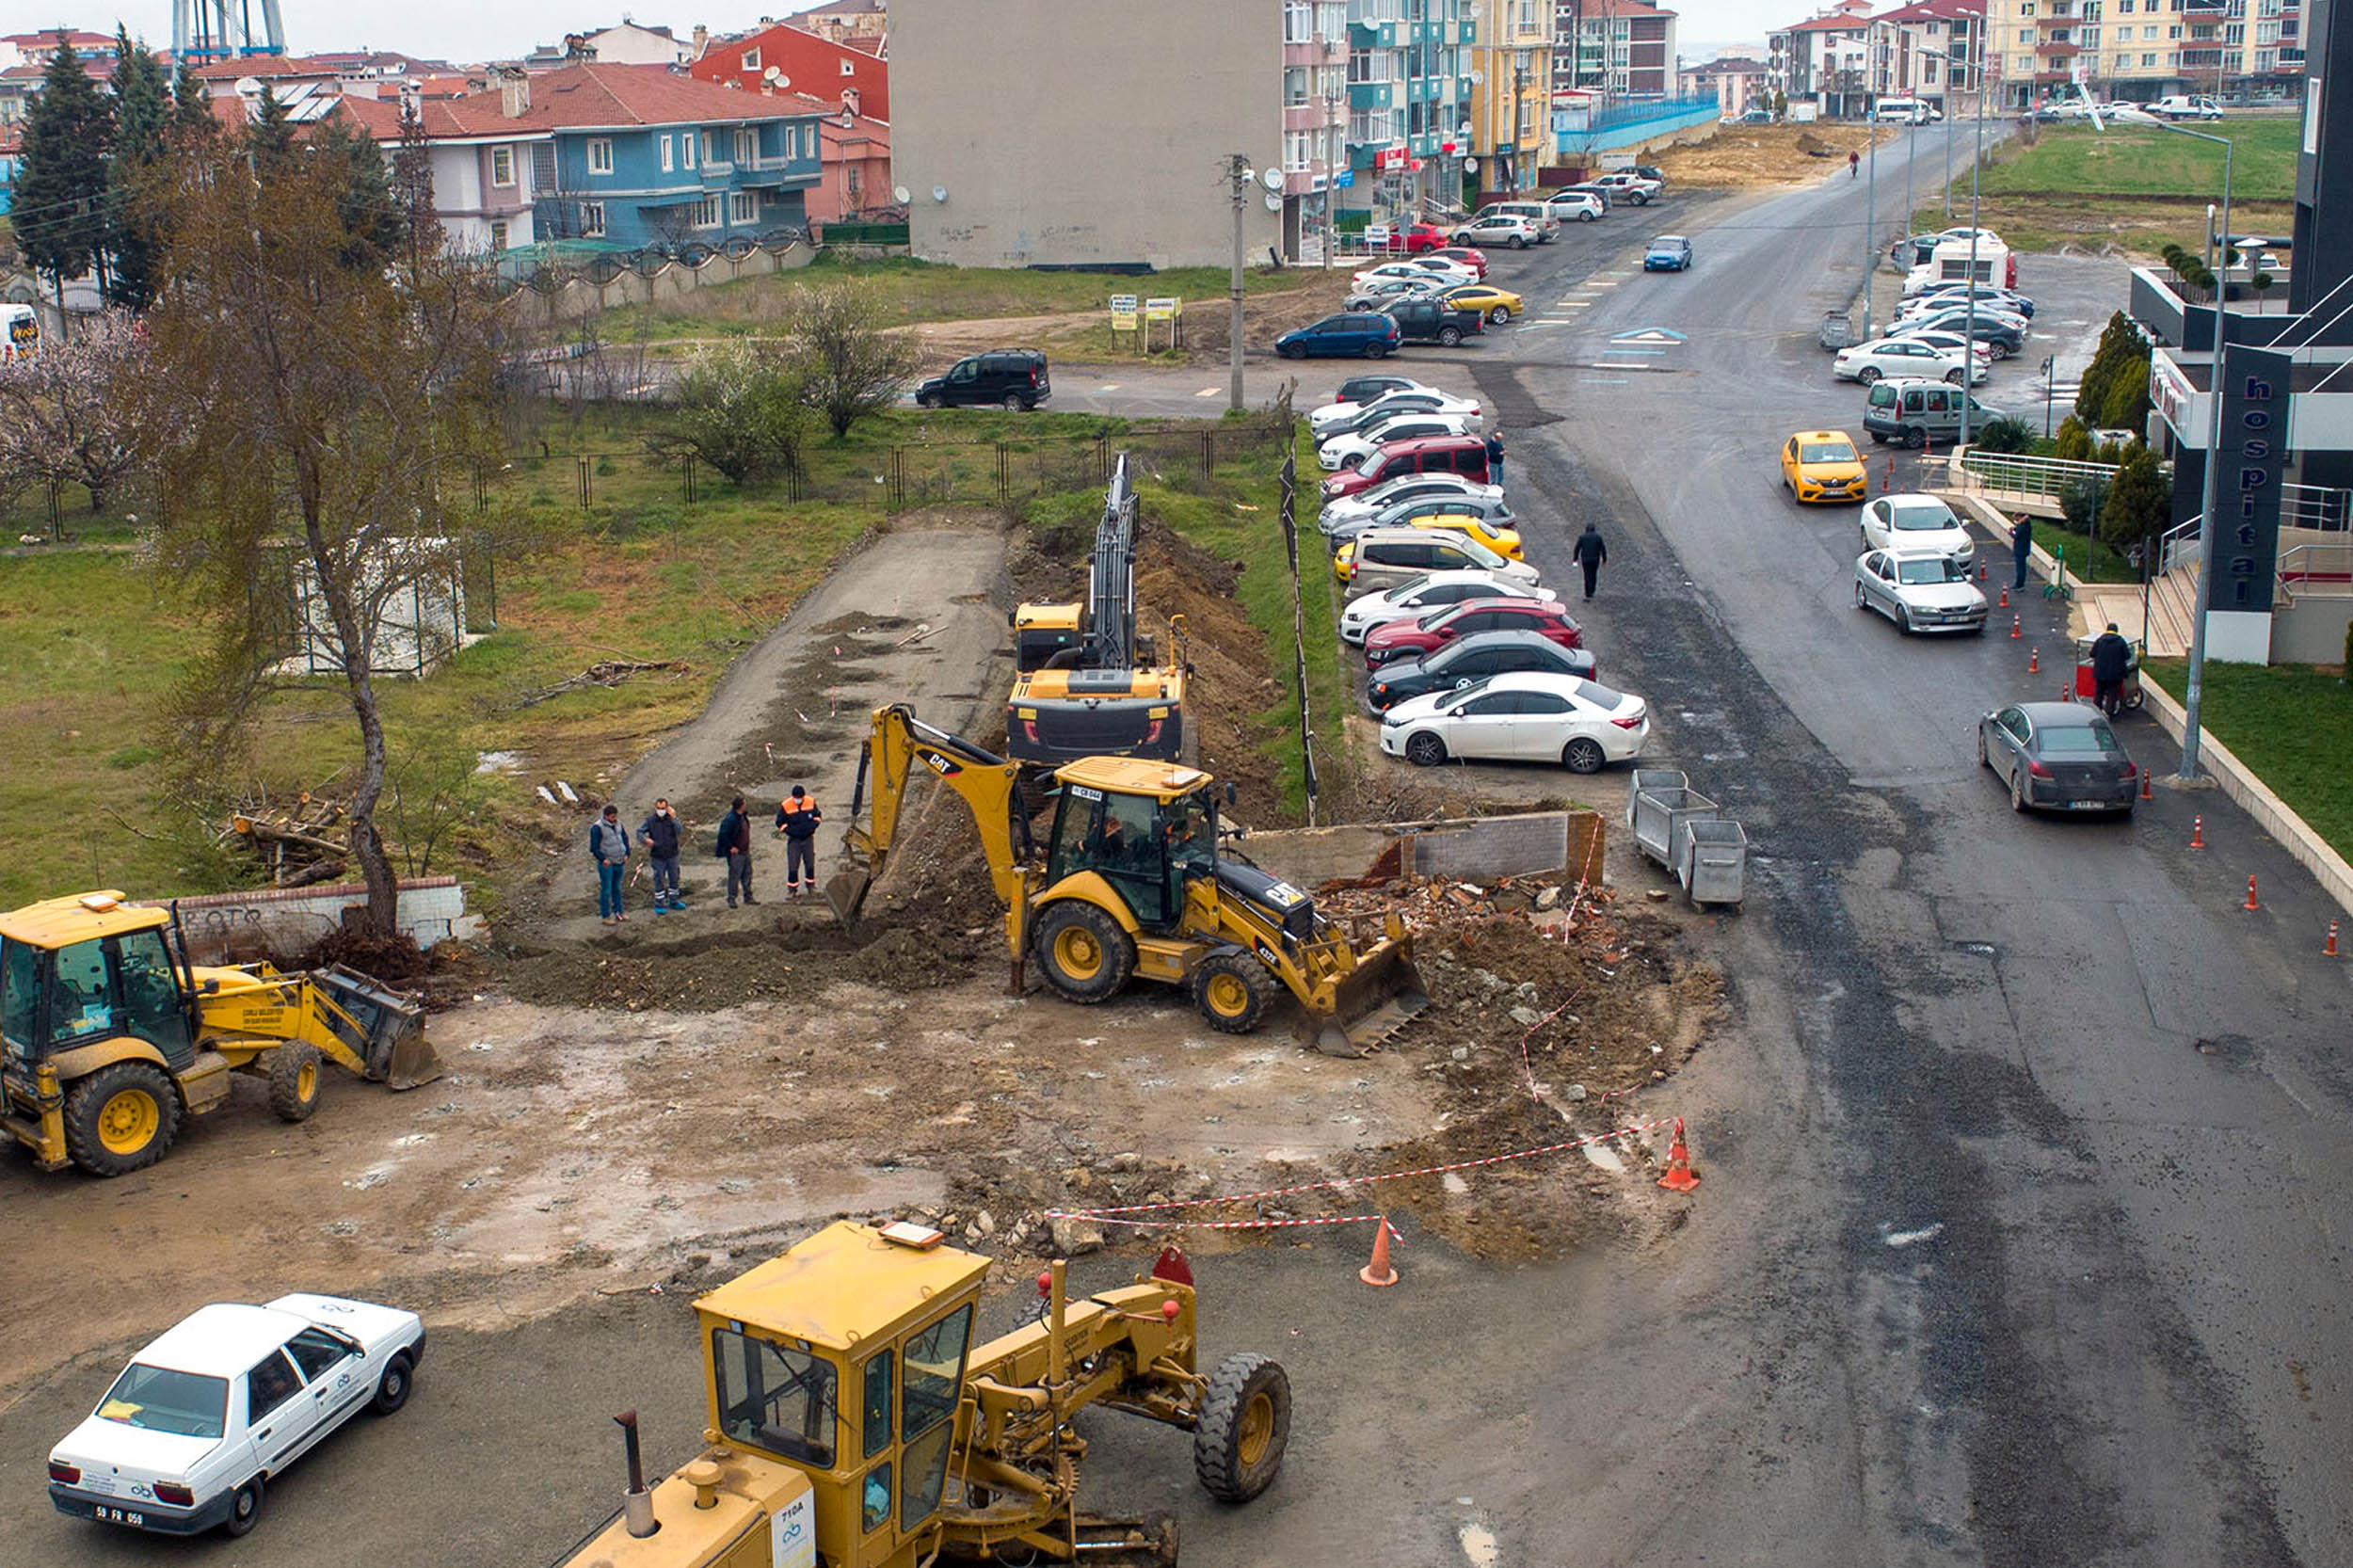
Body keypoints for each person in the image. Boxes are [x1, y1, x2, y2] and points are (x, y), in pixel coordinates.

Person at [638, 797, 685, 912]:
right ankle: (659, 904)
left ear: (667, 808)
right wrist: (645, 840)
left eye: (663, 808)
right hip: (657, 856)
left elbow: (679, 830)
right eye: (659, 808)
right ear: (655, 808)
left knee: (674, 878)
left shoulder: (672, 820)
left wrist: (674, 818)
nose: (661, 810)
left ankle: (674, 901)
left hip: (672, 854)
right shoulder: (650, 820)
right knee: (659, 879)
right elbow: (639, 832)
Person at [776, 785, 823, 897]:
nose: (798, 799)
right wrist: (789, 831)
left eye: (800, 797)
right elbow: (779, 822)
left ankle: (811, 886)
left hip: (808, 839)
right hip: (794, 841)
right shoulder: (786, 805)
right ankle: (792, 889)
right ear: (793, 797)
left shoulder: (810, 802)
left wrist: (812, 827)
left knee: (810, 863)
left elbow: (817, 816)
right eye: (796, 797)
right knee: (793, 864)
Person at [590, 804, 632, 924]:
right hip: (607, 864)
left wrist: (627, 852)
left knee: (617, 888)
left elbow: (624, 837)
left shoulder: (618, 824)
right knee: (606, 890)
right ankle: (606, 916)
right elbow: (594, 847)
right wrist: (603, 859)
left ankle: (619, 912)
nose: (615, 819)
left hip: (620, 861)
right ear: (606, 816)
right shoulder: (597, 828)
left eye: (616, 816)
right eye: (612, 817)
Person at [717, 794, 756, 907]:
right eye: (744, 804)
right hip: (736, 853)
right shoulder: (731, 819)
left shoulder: (742, 816)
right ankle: (731, 898)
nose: (746, 805)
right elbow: (723, 834)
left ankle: (748, 896)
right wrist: (731, 847)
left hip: (745, 851)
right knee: (735, 875)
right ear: (740, 806)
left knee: (747, 874)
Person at [2089, 622, 2133, 717]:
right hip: (2115, 674)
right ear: (2116, 631)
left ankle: (2096, 713)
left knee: (2099, 693)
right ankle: (2109, 713)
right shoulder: (2121, 641)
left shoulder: (2099, 640)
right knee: (2112, 694)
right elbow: (2127, 655)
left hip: (2100, 673)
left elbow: (2092, 654)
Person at [1571, 521, 1609, 600]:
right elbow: (1603, 549)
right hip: (1595, 560)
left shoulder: (1582, 537)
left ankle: (1587, 592)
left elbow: (1577, 548)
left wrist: (1575, 559)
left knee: (1587, 575)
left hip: (1585, 559)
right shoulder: (1598, 537)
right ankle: (1592, 590)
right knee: (1593, 575)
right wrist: (1604, 559)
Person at [2011, 514, 2035, 591]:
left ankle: (2019, 585)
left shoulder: (2021, 526)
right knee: (2022, 568)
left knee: (2020, 569)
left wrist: (2010, 532)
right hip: (2024, 549)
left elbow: (2017, 536)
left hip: (2020, 549)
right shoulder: (2027, 525)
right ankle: (2020, 584)